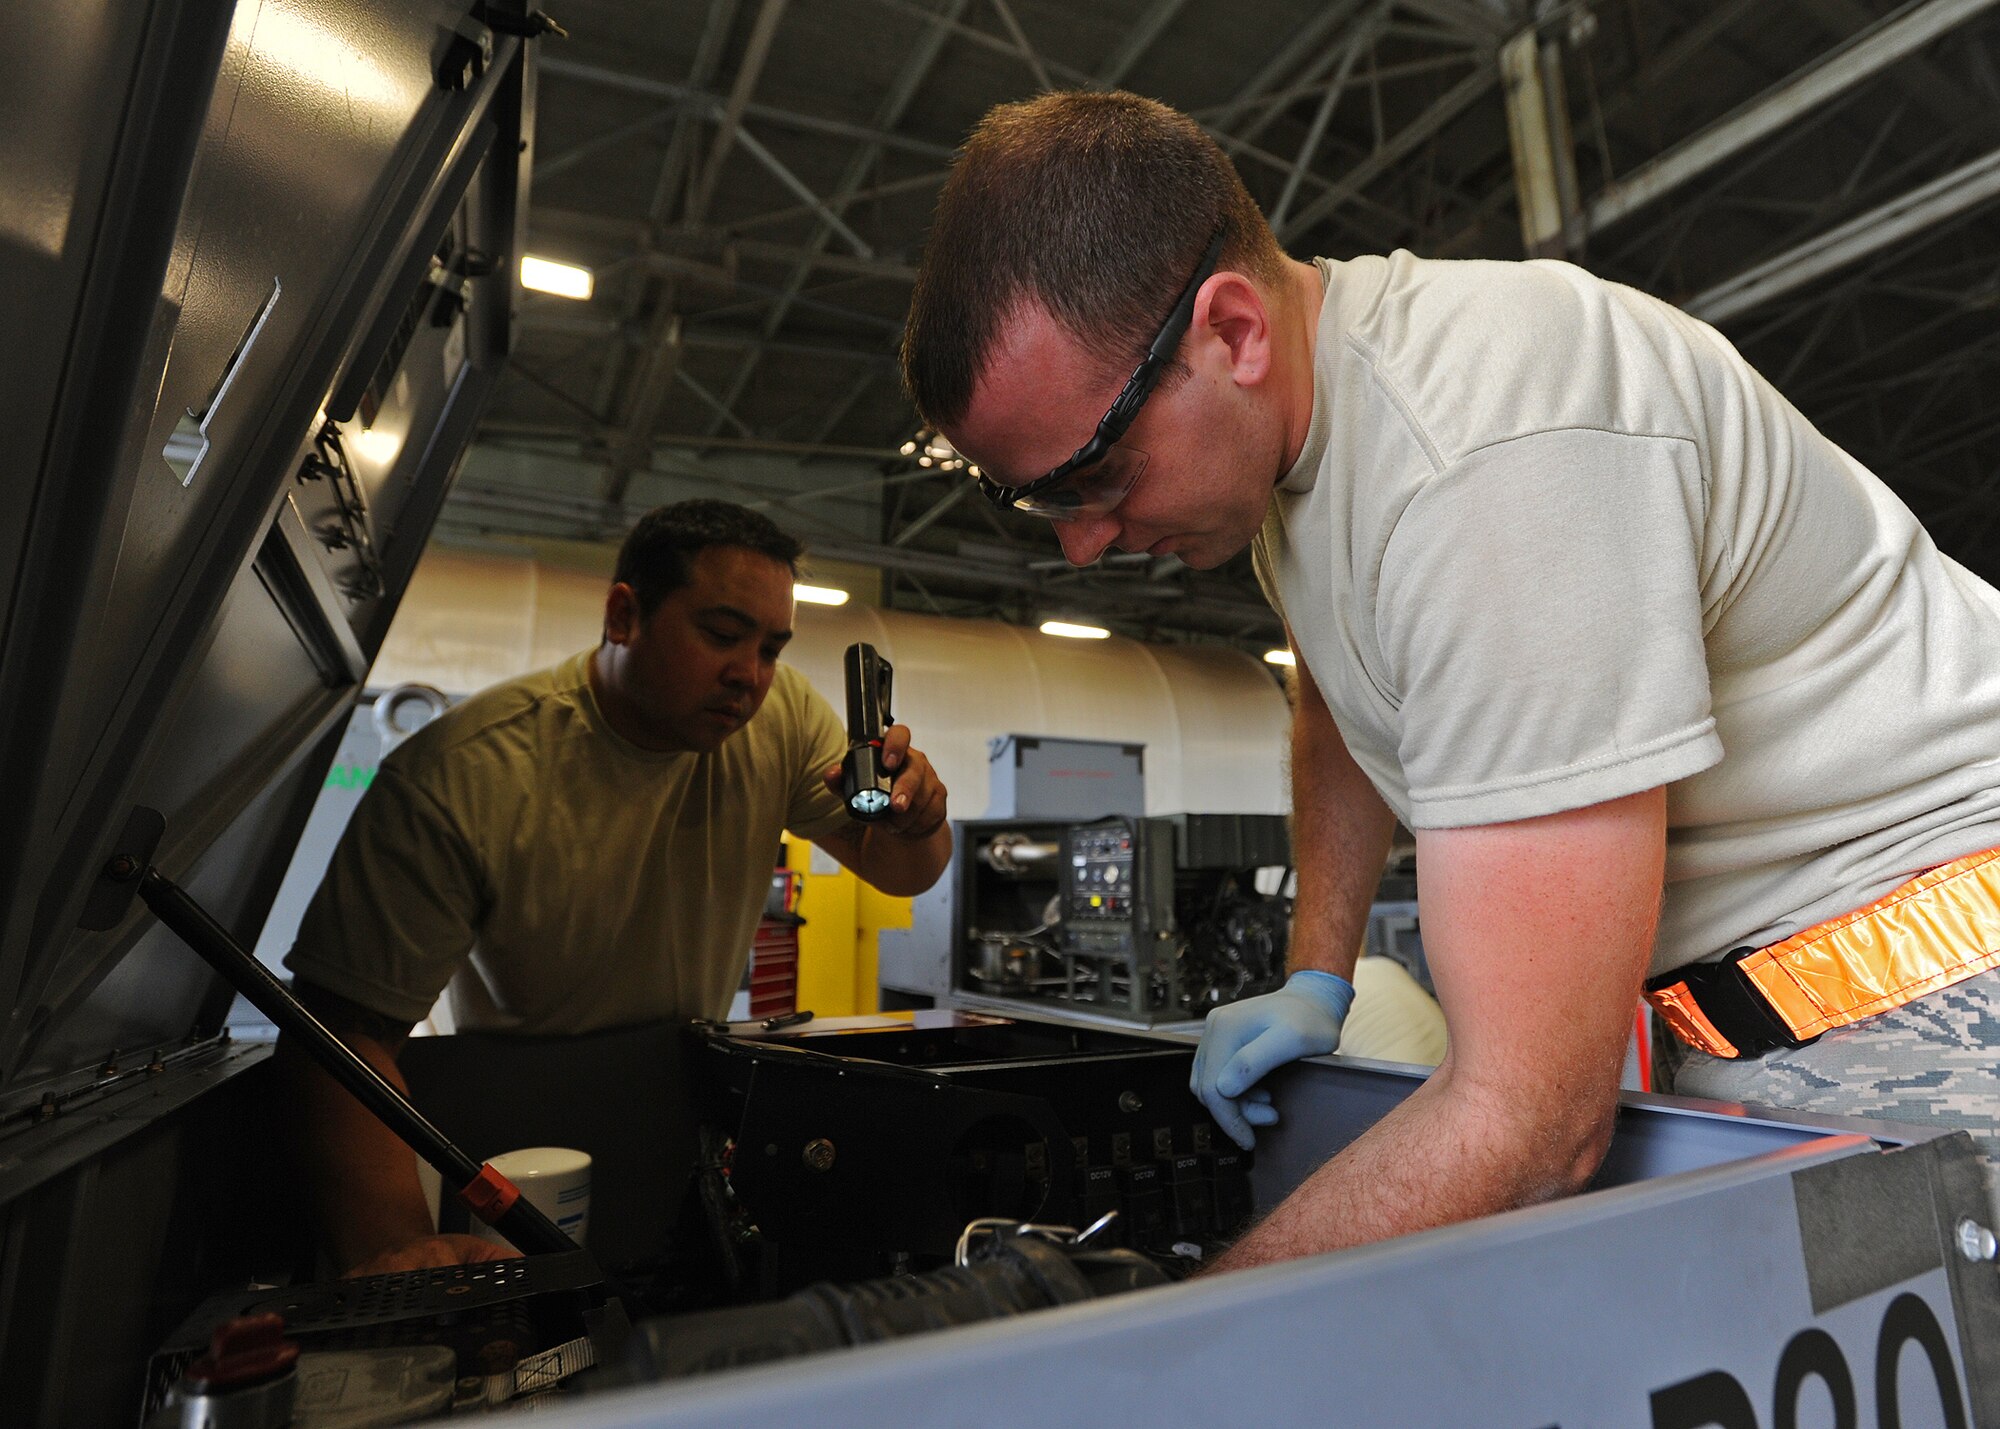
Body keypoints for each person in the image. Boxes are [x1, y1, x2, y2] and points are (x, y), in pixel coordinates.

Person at [900, 90, 2000, 1274]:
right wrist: (1314, 972)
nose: (1081, 543)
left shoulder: (1488, 459)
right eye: (1041, 502)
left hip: (1931, 1000)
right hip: (1762, 1011)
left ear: (1231, 332)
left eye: (1096, 475)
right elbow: (1336, 681)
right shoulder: (1304, 456)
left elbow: (1528, 1122)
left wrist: (1165, 1339)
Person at [279, 500, 952, 1275]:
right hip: (522, 1128)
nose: (751, 674)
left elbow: (904, 869)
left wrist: (917, 819)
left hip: (686, 1108)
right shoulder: (463, 776)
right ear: (623, 614)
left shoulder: (782, 719)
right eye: (723, 634)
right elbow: (340, 1039)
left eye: (770, 647)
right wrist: (402, 1253)